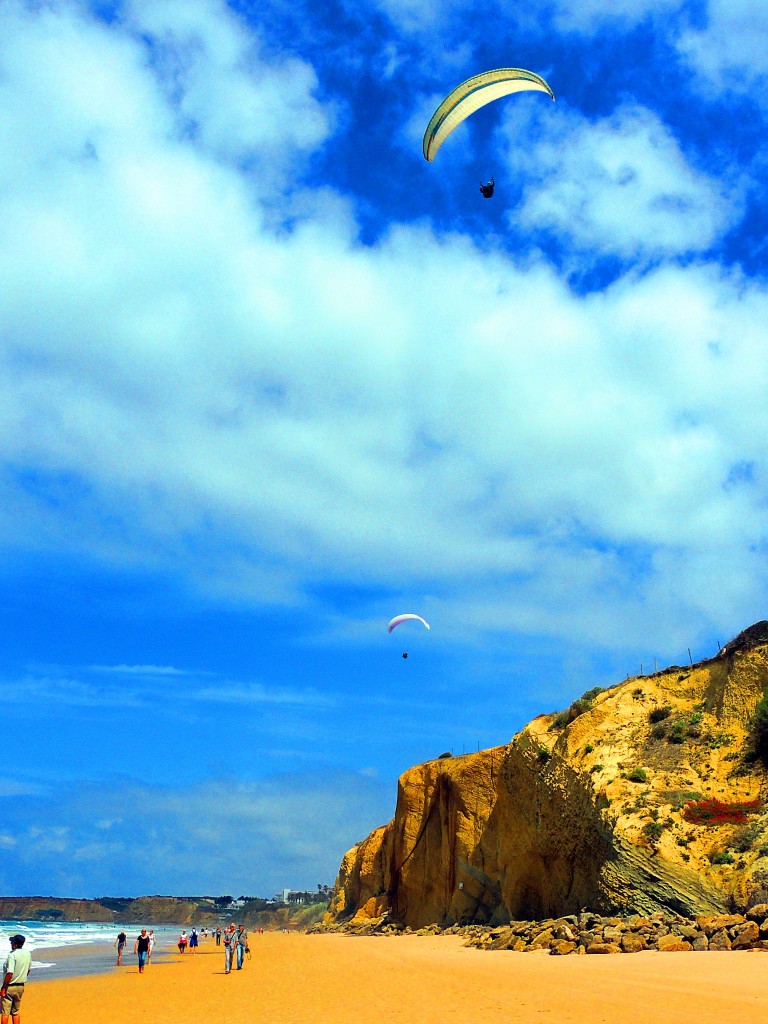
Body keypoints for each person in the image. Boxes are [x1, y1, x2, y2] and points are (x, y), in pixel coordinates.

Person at [1, 934, 31, 1024]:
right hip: (20, 986)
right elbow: (28, 970)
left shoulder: (12, 955)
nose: (11, 943)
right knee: (15, 1012)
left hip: (10, 986)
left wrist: (4, 987)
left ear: (15, 944)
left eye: (12, 942)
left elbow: (10, 972)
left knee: (5, 1012)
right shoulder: (27, 954)